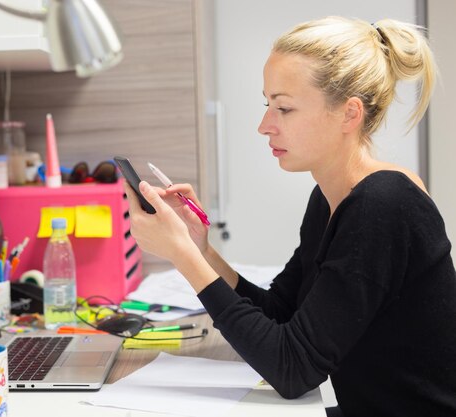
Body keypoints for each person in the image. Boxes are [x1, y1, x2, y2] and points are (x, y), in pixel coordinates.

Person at [123, 16, 456, 417]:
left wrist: (183, 258)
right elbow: (283, 315)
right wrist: (202, 251)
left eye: (284, 108)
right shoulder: (331, 198)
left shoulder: (383, 205)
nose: (265, 125)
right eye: (268, 105)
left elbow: (294, 370)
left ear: (350, 114)